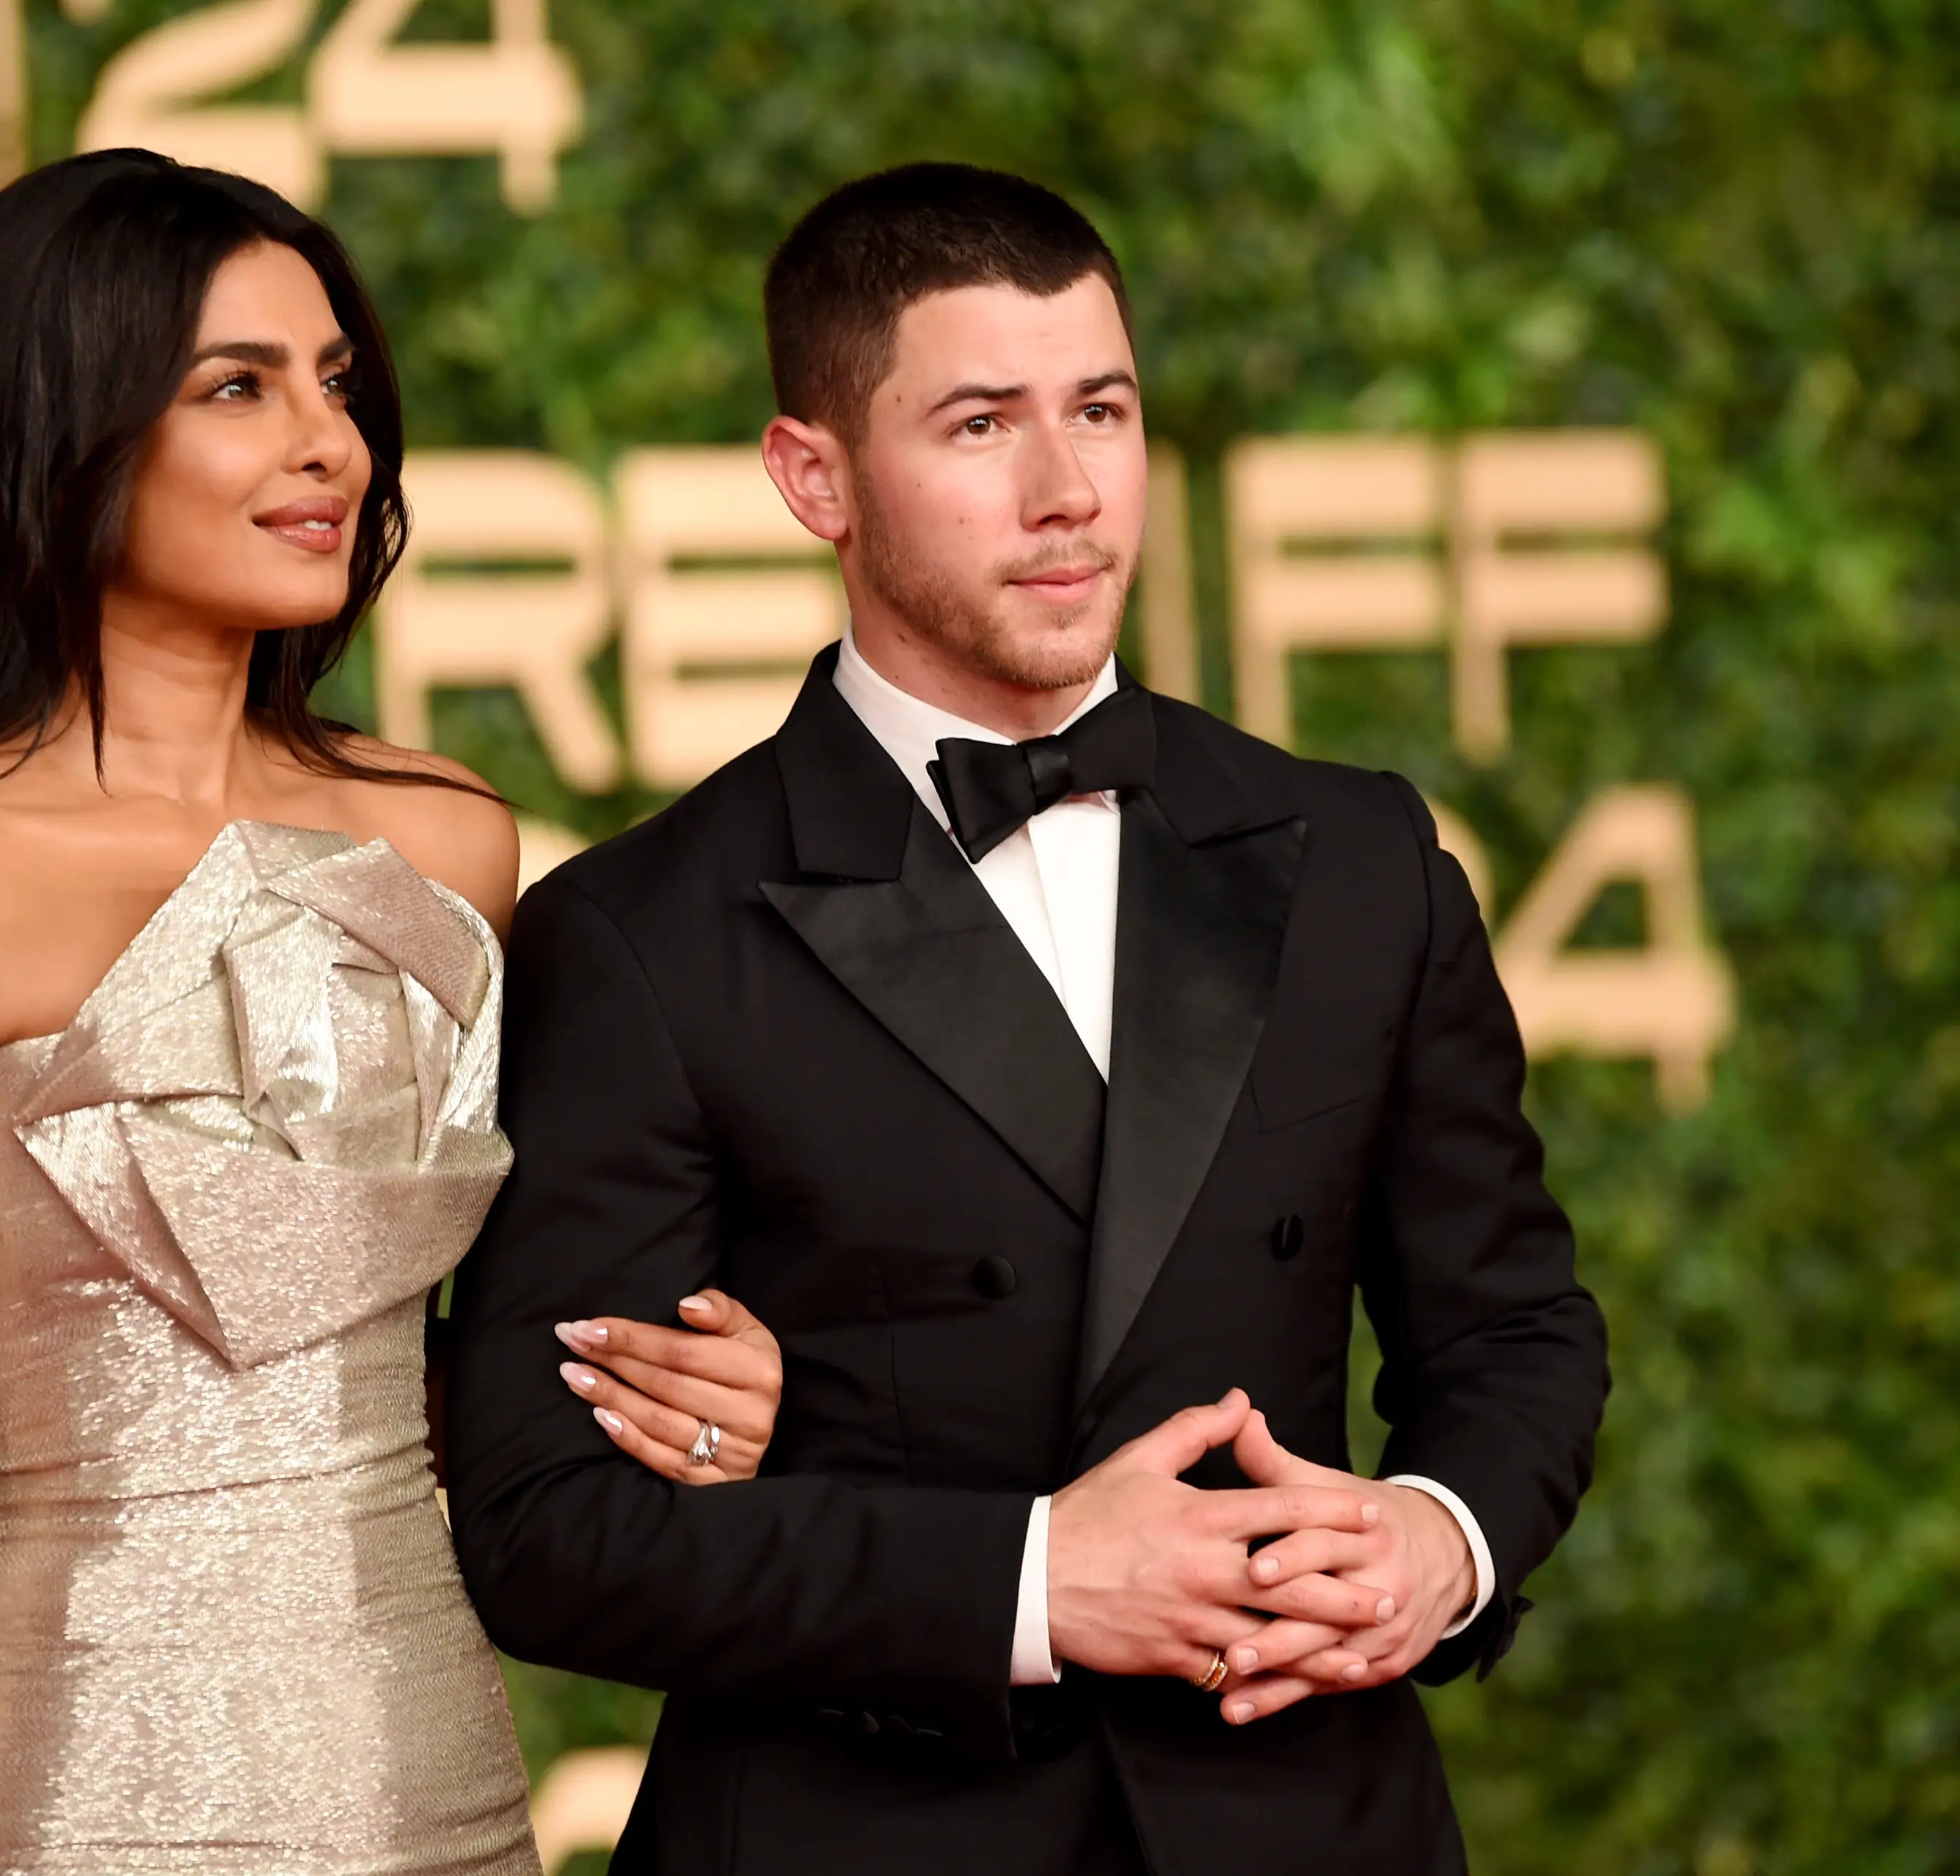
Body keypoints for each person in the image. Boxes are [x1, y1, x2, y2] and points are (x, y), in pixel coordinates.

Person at [443, 162, 1611, 1875]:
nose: (1069, 493)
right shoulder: (641, 933)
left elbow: (1512, 1334)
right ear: (812, 476)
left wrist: (1436, 1540)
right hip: (859, 1835)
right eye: (981, 425)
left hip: (1304, 1818)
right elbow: (545, 1528)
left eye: (1104, 410)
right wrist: (1032, 1581)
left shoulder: (1360, 856)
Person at [0, 151, 783, 1876]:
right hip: (62, 1794)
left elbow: (478, 1364)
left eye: (338, 385)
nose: (332, 447)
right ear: (56, 429)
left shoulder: (446, 838)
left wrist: (698, 1390)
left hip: (426, 1772)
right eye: (241, 388)